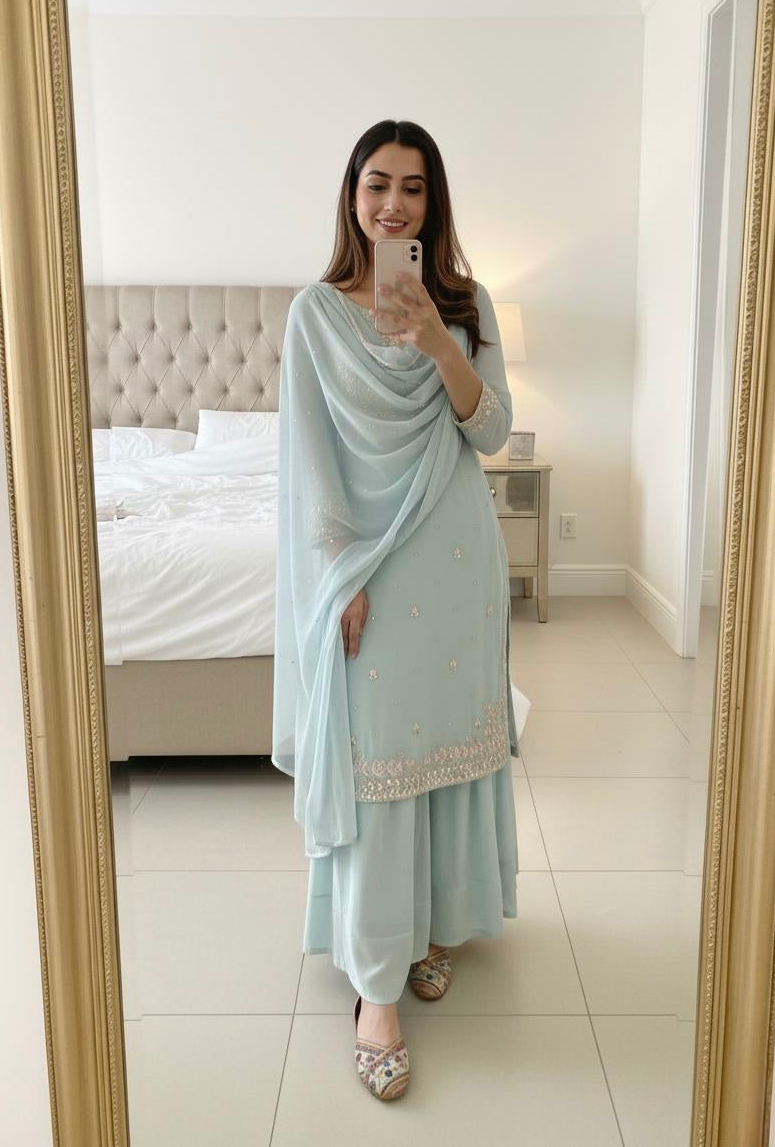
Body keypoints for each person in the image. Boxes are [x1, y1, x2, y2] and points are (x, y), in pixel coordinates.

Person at [271, 119, 521, 1101]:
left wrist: (438, 342)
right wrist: (342, 574)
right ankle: (376, 991)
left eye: (413, 188)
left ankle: (430, 926)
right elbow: (311, 458)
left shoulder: (466, 302)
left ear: (433, 202)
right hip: (368, 566)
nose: (394, 205)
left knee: (447, 749)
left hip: (454, 558)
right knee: (379, 764)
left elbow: (491, 431)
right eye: (378, 184)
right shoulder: (313, 314)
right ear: (352, 194)